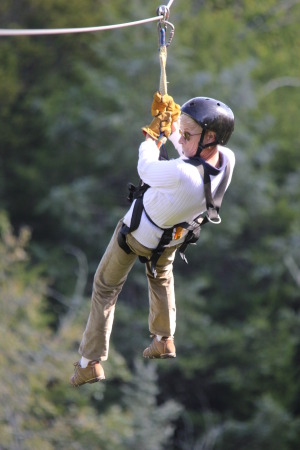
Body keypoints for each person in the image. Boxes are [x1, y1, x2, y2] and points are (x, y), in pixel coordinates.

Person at [69, 92, 235, 387]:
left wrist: (153, 136)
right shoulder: (225, 160)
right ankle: (163, 339)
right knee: (161, 276)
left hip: (137, 235)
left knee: (105, 287)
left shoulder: (183, 174)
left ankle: (88, 363)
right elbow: (189, 152)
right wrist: (171, 126)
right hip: (173, 237)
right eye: (181, 133)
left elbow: (146, 167)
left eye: (188, 134)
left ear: (210, 137)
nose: (181, 139)